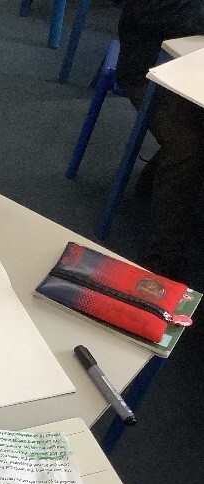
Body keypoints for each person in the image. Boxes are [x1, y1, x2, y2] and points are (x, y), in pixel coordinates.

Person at [117, 0, 204, 282]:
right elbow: (150, 11)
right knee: (187, 148)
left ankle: (155, 179)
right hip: (149, 68)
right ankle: (161, 263)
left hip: (192, 63)